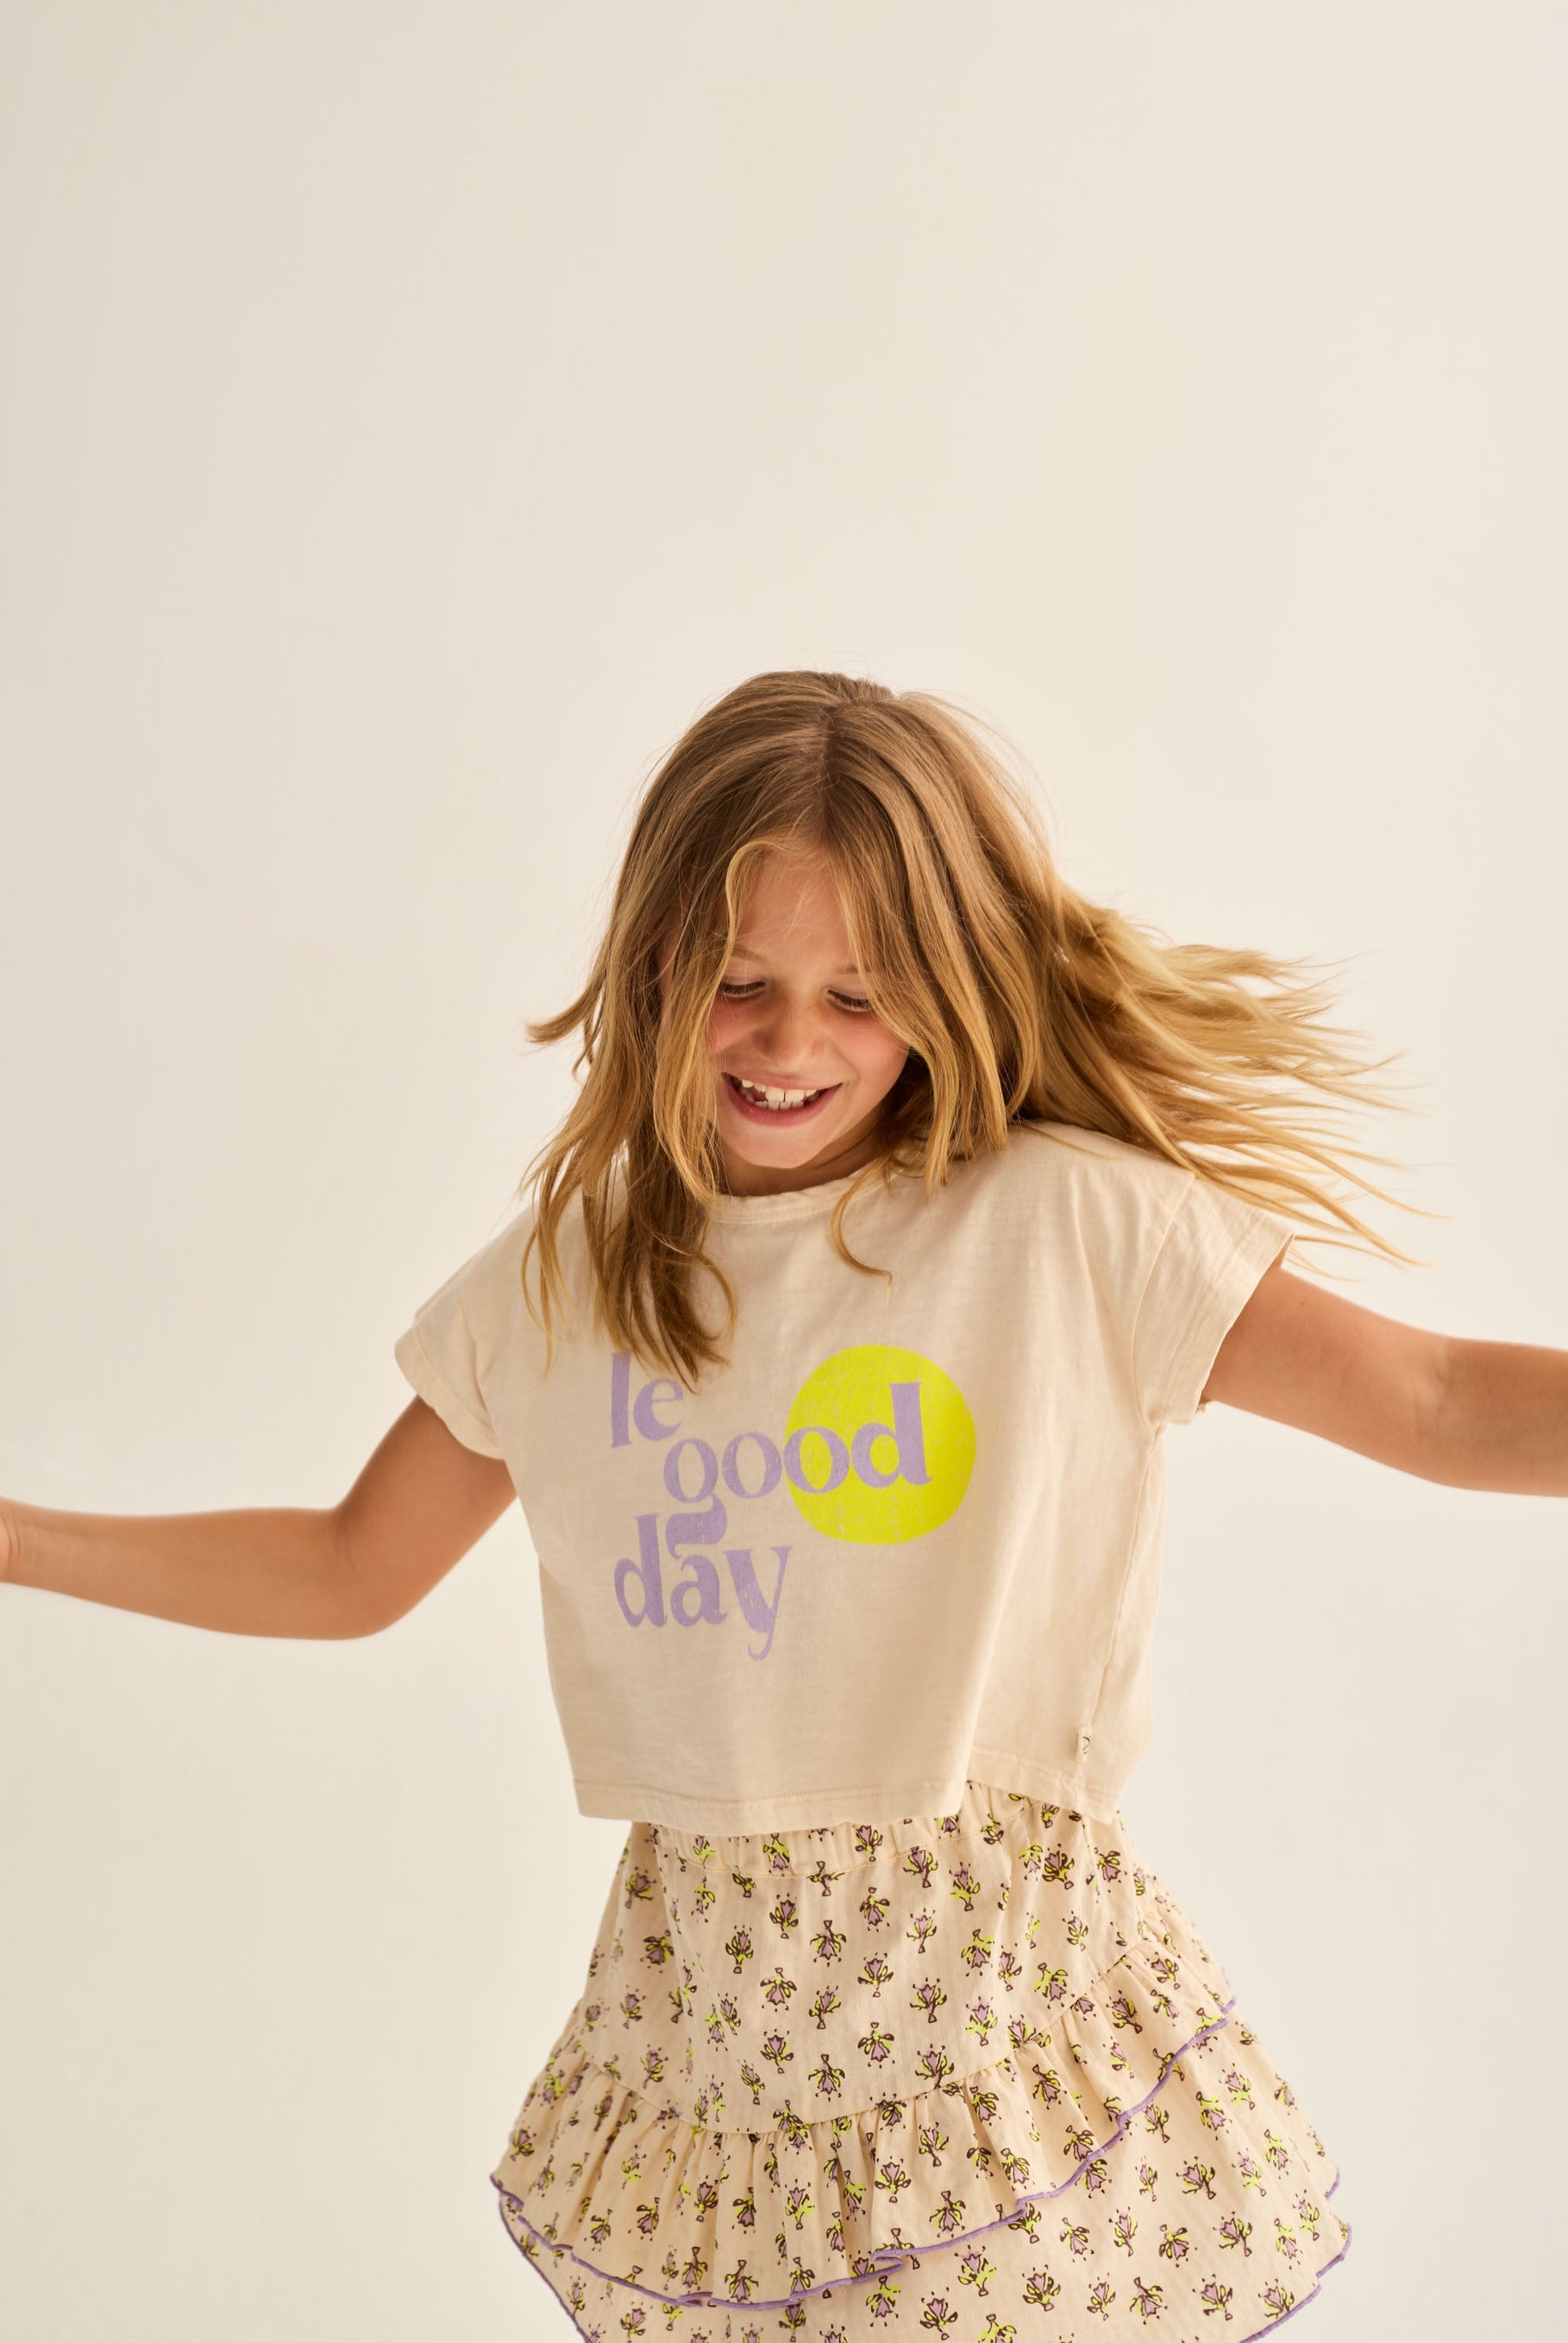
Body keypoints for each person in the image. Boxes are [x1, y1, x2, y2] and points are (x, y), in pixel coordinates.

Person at [6, 670, 1566, 2342]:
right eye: (740, 981)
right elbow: (343, 1565)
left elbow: (1431, 1396)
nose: (790, 1041)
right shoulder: (568, 1282)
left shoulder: (1064, 1230)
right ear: (653, 963)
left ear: (948, 991)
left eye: (858, 993)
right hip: (720, 2065)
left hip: (993, 2024)